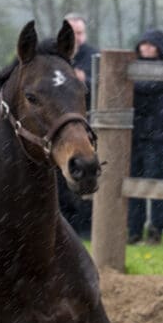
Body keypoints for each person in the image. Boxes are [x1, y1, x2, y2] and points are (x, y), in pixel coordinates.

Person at [127, 28, 163, 245]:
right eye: (143, 43)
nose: (146, 47)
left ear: (159, 48)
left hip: (157, 136)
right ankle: (134, 231)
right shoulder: (132, 69)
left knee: (155, 182)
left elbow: (148, 86)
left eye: (151, 44)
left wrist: (128, 80)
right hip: (133, 134)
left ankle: (155, 230)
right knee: (133, 182)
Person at [58, 14, 98, 238]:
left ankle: (84, 228)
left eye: (80, 33)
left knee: (86, 175)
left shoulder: (93, 56)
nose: (77, 38)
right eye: (72, 34)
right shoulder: (57, 57)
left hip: (88, 126)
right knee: (61, 179)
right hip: (62, 129)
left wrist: (85, 81)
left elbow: (104, 87)